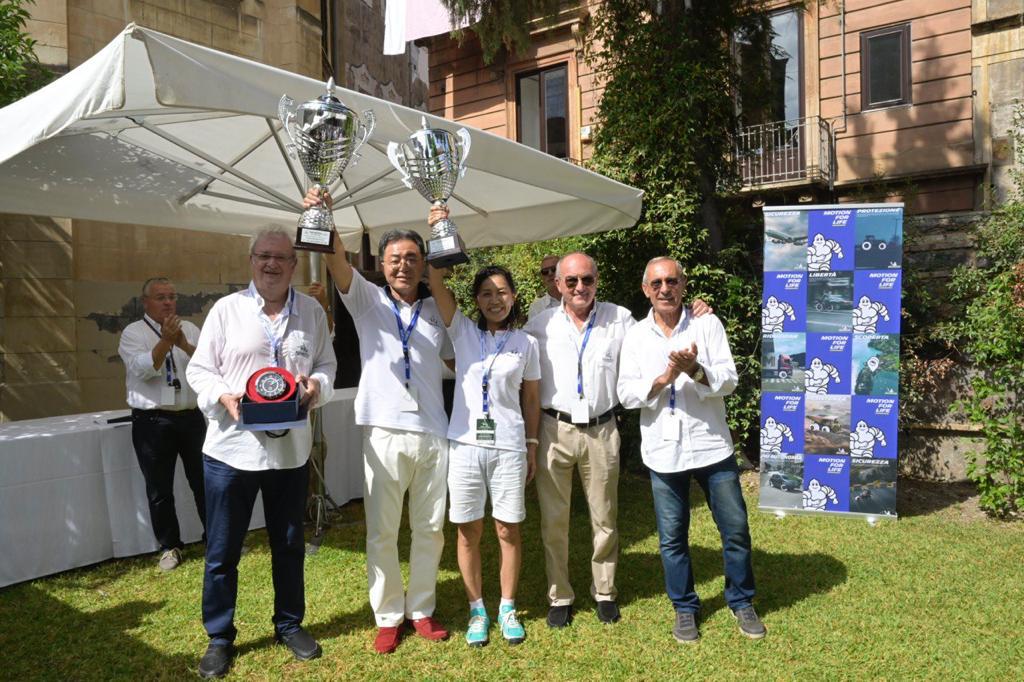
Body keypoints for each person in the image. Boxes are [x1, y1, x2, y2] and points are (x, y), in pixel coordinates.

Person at [186, 228, 336, 678]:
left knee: (288, 544)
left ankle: (289, 624)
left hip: (289, 453)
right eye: (263, 256)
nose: (272, 264)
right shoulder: (226, 310)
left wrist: (316, 387)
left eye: (281, 258)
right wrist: (223, 396)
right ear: (251, 261)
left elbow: (327, 364)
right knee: (222, 550)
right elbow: (199, 369)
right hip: (231, 452)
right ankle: (219, 636)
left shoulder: (311, 311)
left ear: (293, 264)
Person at [309, 190, 452, 655]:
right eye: (395, 259)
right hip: (384, 431)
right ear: (383, 265)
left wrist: (441, 228)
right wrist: (322, 214)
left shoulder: (437, 308)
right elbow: (335, 260)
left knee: (430, 528)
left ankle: (422, 608)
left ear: (422, 263)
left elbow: (459, 355)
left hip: (433, 431)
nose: (403, 266)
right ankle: (389, 614)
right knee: (383, 530)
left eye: (412, 258)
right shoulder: (366, 300)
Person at [616, 256, 765, 644]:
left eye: (672, 281)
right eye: (657, 283)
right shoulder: (635, 336)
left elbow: (729, 380)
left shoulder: (706, 324)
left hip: (711, 446)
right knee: (672, 538)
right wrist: (666, 377)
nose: (665, 289)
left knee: (735, 529)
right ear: (646, 290)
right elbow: (627, 395)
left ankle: (741, 600)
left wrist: (695, 370)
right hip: (664, 451)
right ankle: (684, 608)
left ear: (683, 284)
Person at [426, 214, 541, 647]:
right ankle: (478, 609)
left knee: (508, 529)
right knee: (467, 530)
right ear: (476, 299)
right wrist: (441, 229)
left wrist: (532, 445)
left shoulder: (526, 343)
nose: (495, 300)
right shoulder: (462, 331)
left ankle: (507, 607)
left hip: (510, 445)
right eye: (487, 293)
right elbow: (435, 280)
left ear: (514, 297)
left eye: (502, 292)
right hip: (465, 444)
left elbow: (531, 400)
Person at [521, 251, 635, 628]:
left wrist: (695, 313)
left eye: (587, 279)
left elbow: (655, 337)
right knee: (554, 520)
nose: (579, 287)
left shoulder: (620, 319)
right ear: (558, 284)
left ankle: (605, 590)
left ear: (597, 281)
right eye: (571, 281)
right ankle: (560, 594)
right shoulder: (538, 326)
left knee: (605, 516)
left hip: (602, 429)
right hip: (553, 429)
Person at [117, 277, 206, 571]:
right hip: (153, 421)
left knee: (204, 481)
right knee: (159, 488)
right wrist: (166, 341)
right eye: (160, 297)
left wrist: (183, 344)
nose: (168, 302)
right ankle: (170, 546)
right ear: (145, 302)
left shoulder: (189, 328)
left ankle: (216, 537)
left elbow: (208, 364)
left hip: (190, 417)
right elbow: (143, 370)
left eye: (172, 296)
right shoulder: (133, 333)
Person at [526, 255, 561, 319]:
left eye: (554, 269)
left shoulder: (576, 299)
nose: (550, 273)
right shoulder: (536, 308)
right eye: (545, 271)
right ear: (542, 277)